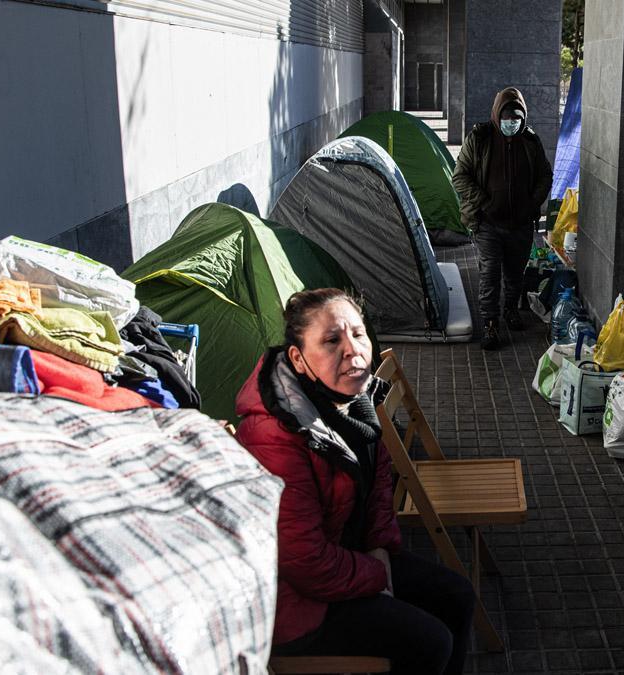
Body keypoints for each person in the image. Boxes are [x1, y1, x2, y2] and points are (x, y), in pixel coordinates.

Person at [234, 288, 475, 674]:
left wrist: (379, 546)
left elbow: (378, 480)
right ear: (297, 358)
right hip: (294, 605)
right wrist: (377, 574)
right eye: (331, 340)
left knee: (458, 596)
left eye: (358, 334)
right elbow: (304, 560)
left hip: (347, 560)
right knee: (430, 642)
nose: (352, 350)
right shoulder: (275, 435)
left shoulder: (354, 401)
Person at [451, 86, 553, 350]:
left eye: (517, 120)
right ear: (498, 116)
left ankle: (510, 310)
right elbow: (459, 177)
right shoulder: (480, 138)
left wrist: (532, 203)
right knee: (490, 273)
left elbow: (545, 176)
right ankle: (490, 324)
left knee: (515, 274)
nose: (512, 124)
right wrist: (484, 201)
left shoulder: (530, 141)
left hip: (520, 223)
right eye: (507, 119)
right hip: (488, 224)